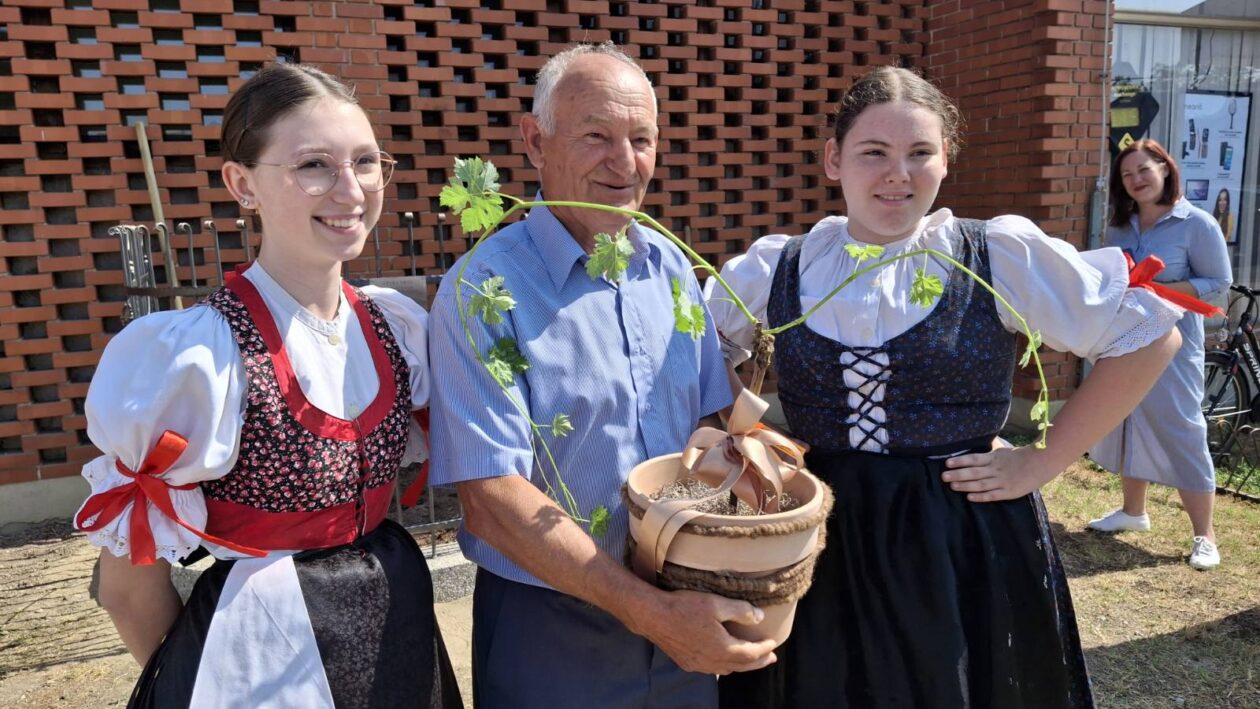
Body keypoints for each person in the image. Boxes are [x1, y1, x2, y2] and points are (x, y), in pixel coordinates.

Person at [706, 66, 1183, 708]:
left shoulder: (995, 256)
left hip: (957, 531)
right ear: (832, 160)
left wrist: (1042, 461)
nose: (897, 174)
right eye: (873, 152)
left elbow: (1149, 337)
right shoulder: (779, 266)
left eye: (919, 154)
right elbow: (702, 353)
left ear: (945, 161)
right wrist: (749, 438)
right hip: (813, 530)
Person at [73, 64, 461, 707]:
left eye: (366, 162)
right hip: (259, 645)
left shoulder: (396, 328)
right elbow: (127, 588)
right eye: (314, 165)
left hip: (392, 614)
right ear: (241, 183)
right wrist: (199, 679)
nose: (352, 190)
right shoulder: (200, 357)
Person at [427, 42, 776, 707]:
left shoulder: (669, 265)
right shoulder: (483, 289)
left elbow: (707, 420)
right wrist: (648, 610)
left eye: (641, 139)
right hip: (551, 628)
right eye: (597, 137)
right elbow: (492, 500)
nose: (625, 163)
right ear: (535, 141)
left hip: (683, 606)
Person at [1088, 139, 1232, 570]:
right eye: (1127, 175)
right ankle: (1134, 512)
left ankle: (1204, 536)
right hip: (1124, 338)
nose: (1135, 180)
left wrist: (1159, 289)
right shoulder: (1119, 225)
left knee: (1181, 426)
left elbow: (1218, 282)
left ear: (1165, 170)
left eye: (1143, 170)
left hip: (1173, 341)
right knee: (1127, 417)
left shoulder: (1197, 224)